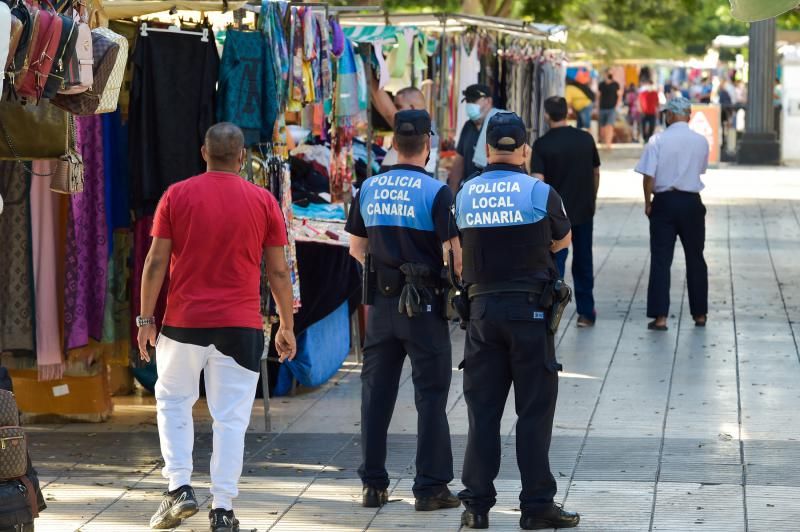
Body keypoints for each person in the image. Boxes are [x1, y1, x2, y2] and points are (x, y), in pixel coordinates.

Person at [138, 123, 297, 532]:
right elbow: (279, 272)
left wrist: (145, 319)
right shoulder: (263, 201)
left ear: (203, 153)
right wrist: (286, 325)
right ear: (242, 157)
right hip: (241, 326)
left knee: (173, 402)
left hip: (183, 324)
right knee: (231, 419)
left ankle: (179, 488)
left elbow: (155, 263)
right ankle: (223, 509)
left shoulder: (177, 195)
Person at [455, 112, 579, 530]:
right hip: (530, 315)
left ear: (488, 149)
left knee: (483, 413)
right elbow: (563, 240)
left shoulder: (466, 193)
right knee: (533, 412)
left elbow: (458, 244)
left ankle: (475, 506)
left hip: (482, 315)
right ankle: (536, 505)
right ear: (524, 149)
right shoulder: (540, 192)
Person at [345, 110, 463, 513]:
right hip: (424, 306)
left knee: (375, 396)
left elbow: (356, 249)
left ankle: (372, 485)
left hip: (379, 306)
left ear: (393, 143)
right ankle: (430, 489)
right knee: (431, 396)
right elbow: (455, 257)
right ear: (428, 145)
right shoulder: (437, 192)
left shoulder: (368, 187)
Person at [634, 97, 709, 331]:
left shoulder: (657, 140)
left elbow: (648, 177)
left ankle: (660, 317)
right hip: (691, 203)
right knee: (695, 258)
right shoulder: (701, 141)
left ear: (669, 115)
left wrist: (648, 203)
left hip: (664, 203)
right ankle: (700, 314)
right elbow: (700, 170)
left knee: (661, 260)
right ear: (688, 114)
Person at [532, 97, 600, 328]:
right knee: (583, 261)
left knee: (554, 262)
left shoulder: (541, 145)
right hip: (583, 210)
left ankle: (551, 308)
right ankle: (586, 313)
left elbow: (538, 183)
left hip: (555, 218)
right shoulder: (585, 139)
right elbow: (595, 172)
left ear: (546, 116)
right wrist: (591, 199)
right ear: (568, 112)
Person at [369, 77, 439, 174]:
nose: (396, 111)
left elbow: (388, 113)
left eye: (398, 107)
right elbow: (380, 105)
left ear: (412, 108)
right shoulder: (422, 125)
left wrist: (367, 72)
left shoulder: (421, 127)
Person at [448, 83, 499, 192]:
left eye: (474, 101)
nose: (470, 105)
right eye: (468, 101)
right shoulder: (468, 126)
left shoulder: (501, 123)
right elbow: (458, 163)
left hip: (495, 191)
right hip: (470, 192)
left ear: (488, 101)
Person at [597, 71, 620, 149]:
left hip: (611, 108)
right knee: (603, 127)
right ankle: (604, 142)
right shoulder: (601, 85)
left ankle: (608, 143)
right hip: (602, 108)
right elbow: (598, 96)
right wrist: (597, 107)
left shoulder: (615, 84)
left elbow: (619, 95)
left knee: (609, 126)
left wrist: (617, 105)